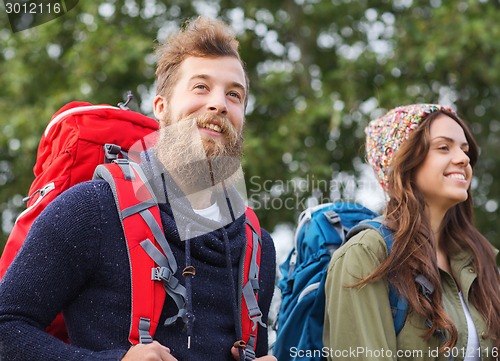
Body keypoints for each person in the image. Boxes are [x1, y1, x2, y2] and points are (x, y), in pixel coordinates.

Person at [0, 16, 277, 361]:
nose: (219, 103)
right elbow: (6, 327)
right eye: (201, 87)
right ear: (161, 108)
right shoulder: (91, 211)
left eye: (234, 95)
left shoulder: (257, 246)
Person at [323, 104, 500, 360]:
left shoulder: (477, 258)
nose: (464, 159)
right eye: (443, 147)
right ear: (404, 163)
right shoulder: (367, 254)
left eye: (465, 150)